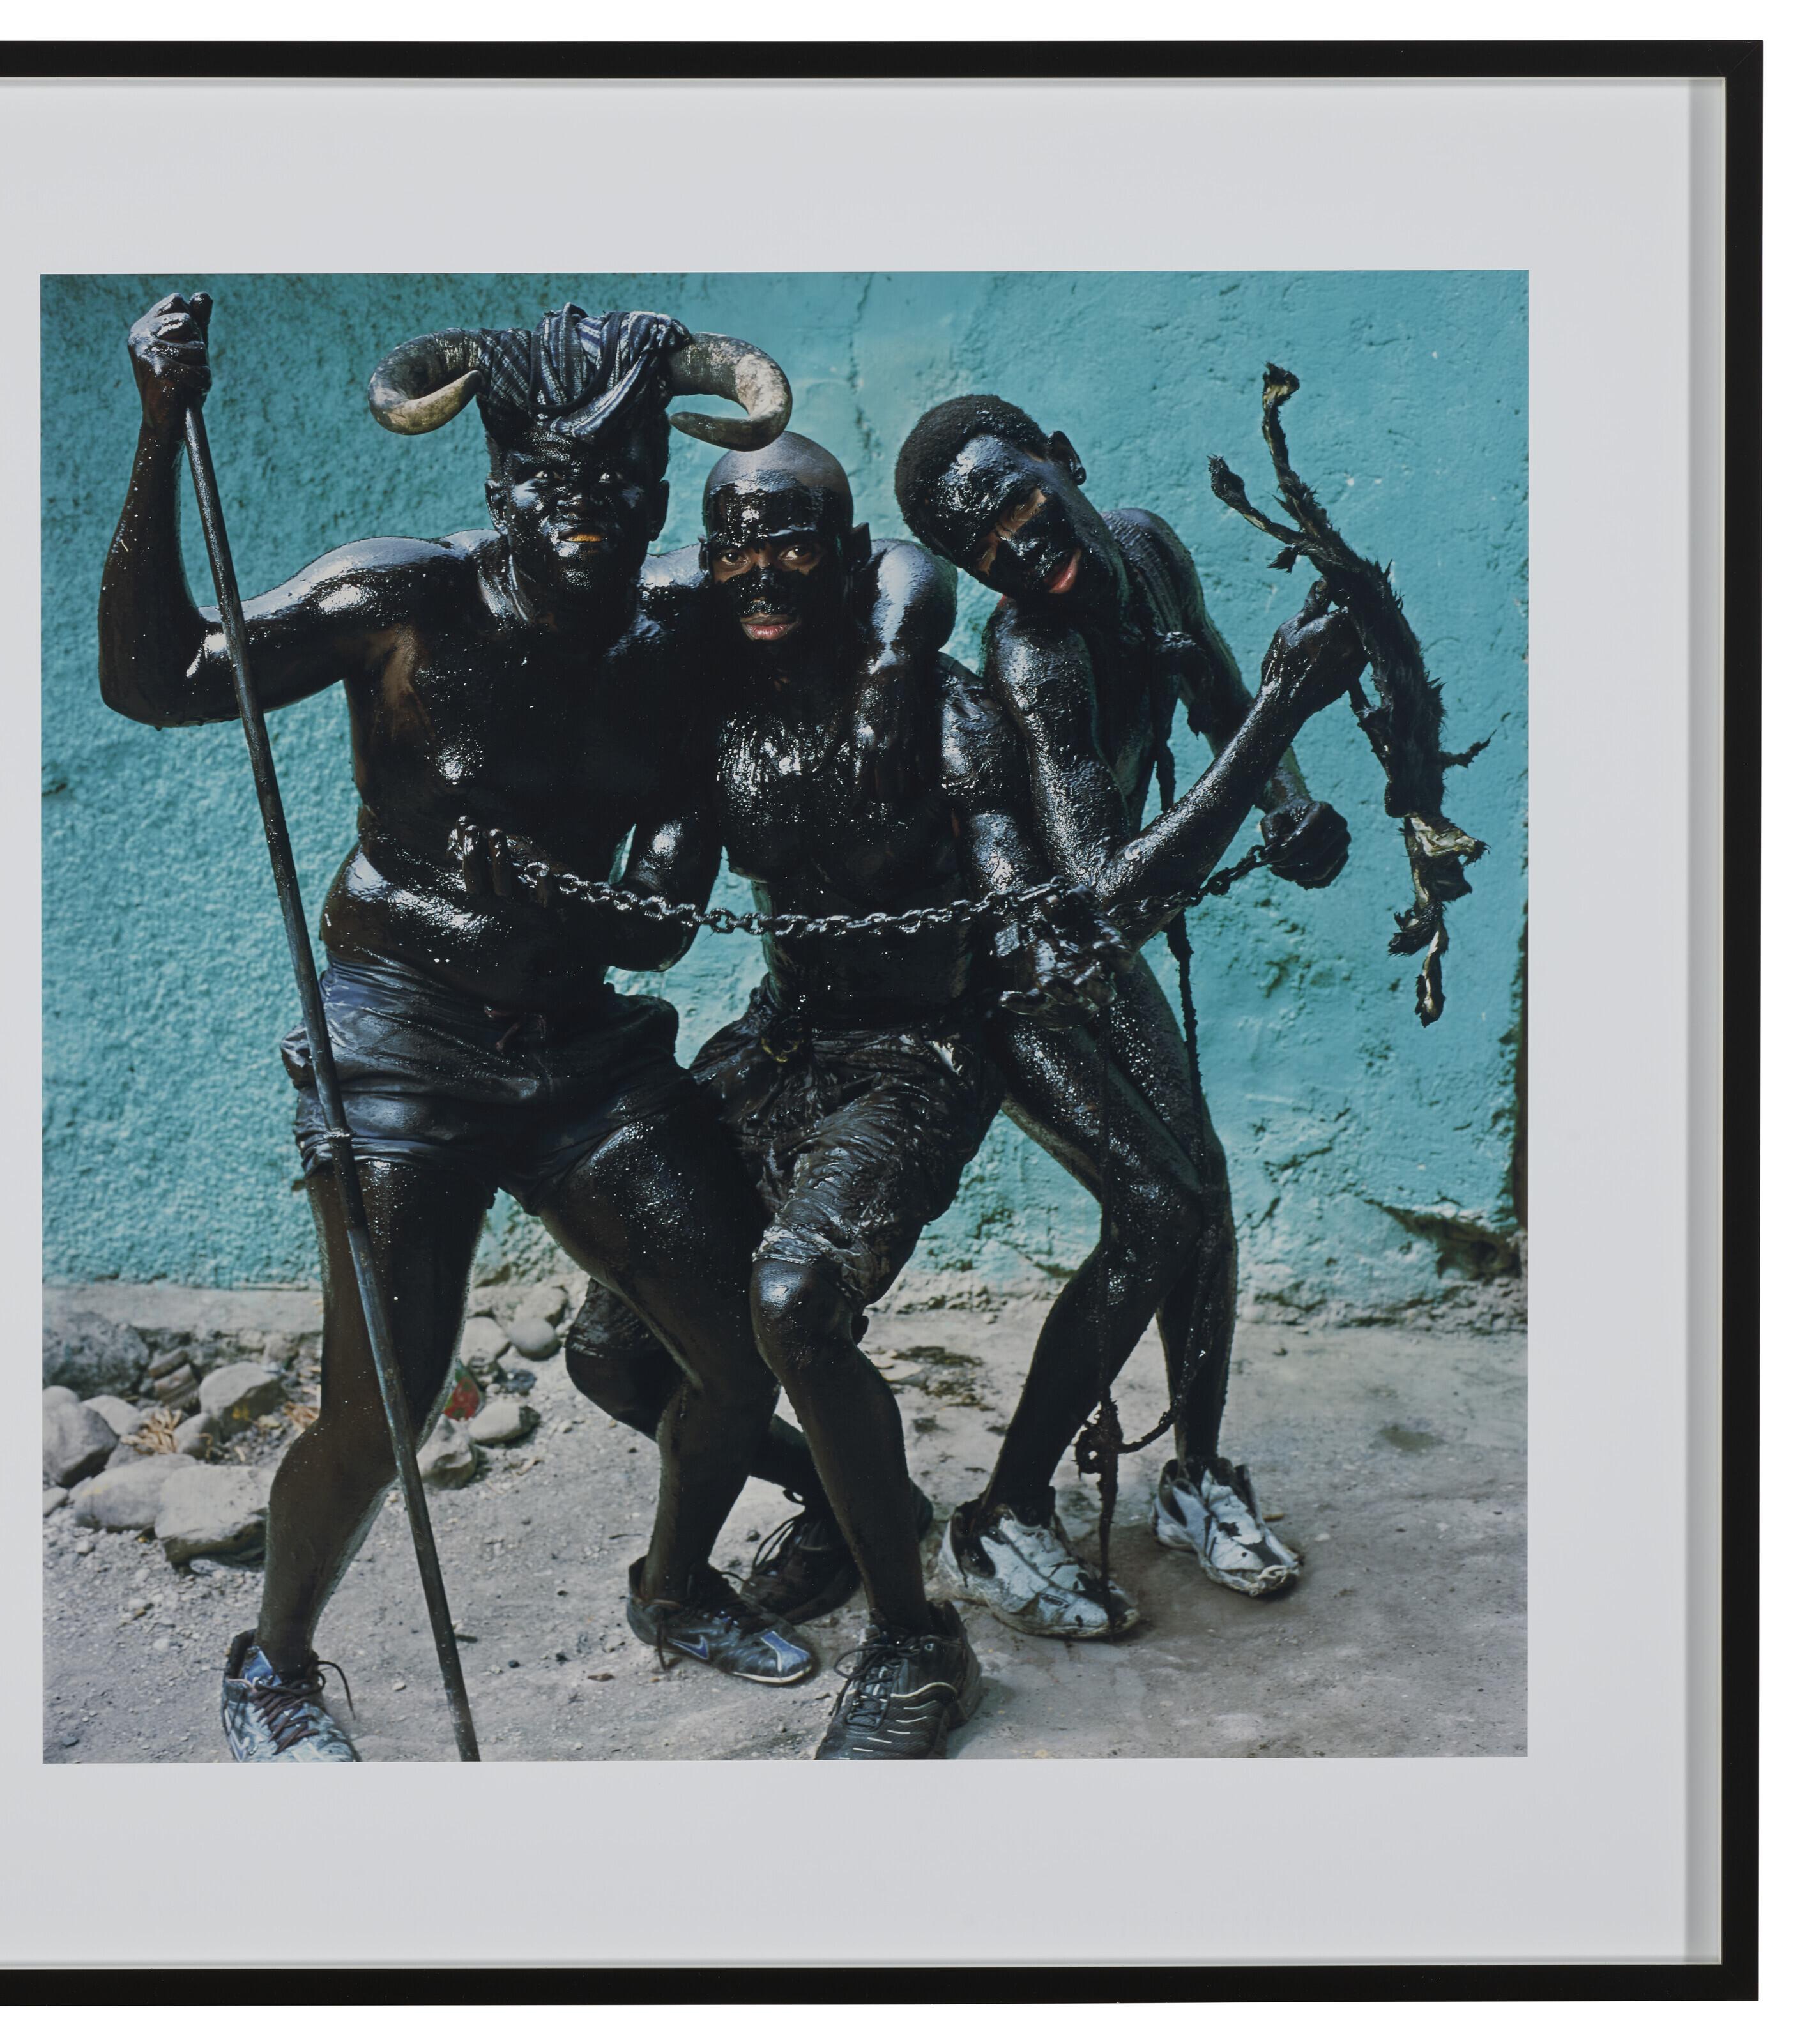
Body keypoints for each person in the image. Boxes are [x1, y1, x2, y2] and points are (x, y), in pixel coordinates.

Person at [96, 297, 942, 1760]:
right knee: (383, 1410)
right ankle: (272, 1666)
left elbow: (887, 572)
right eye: (548, 479)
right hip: (400, 1046)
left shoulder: (684, 628)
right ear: (497, 483)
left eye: (615, 479)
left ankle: (673, 1587)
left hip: (578, 1046)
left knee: (740, 1344)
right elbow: (156, 680)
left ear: (659, 490)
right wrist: (161, 428)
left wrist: (912, 632)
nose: (582, 509)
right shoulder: (401, 600)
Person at [563, 431, 1357, 1753]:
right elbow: (657, 903)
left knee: (812, 1300)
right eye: (733, 549)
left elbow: (1021, 862)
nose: (760, 574)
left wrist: (1053, 908)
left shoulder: (956, 700)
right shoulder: (715, 709)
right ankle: (845, 1498)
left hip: (923, 1044)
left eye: (791, 546)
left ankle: (929, 1622)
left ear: (845, 560)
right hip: (780, 1038)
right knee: (609, 1354)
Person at [889, 393, 1365, 1635]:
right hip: (1011, 975)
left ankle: (1196, 1476)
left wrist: (1285, 804)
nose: (1014, 541)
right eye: (979, 543)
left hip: (1085, 957)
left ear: (1066, 457)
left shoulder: (1146, 547)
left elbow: (1213, 685)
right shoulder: (1032, 658)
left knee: (1200, 1197)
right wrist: (1281, 722)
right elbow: (1102, 892)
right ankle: (1003, 1514)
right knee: (1160, 1211)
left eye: (1017, 498)